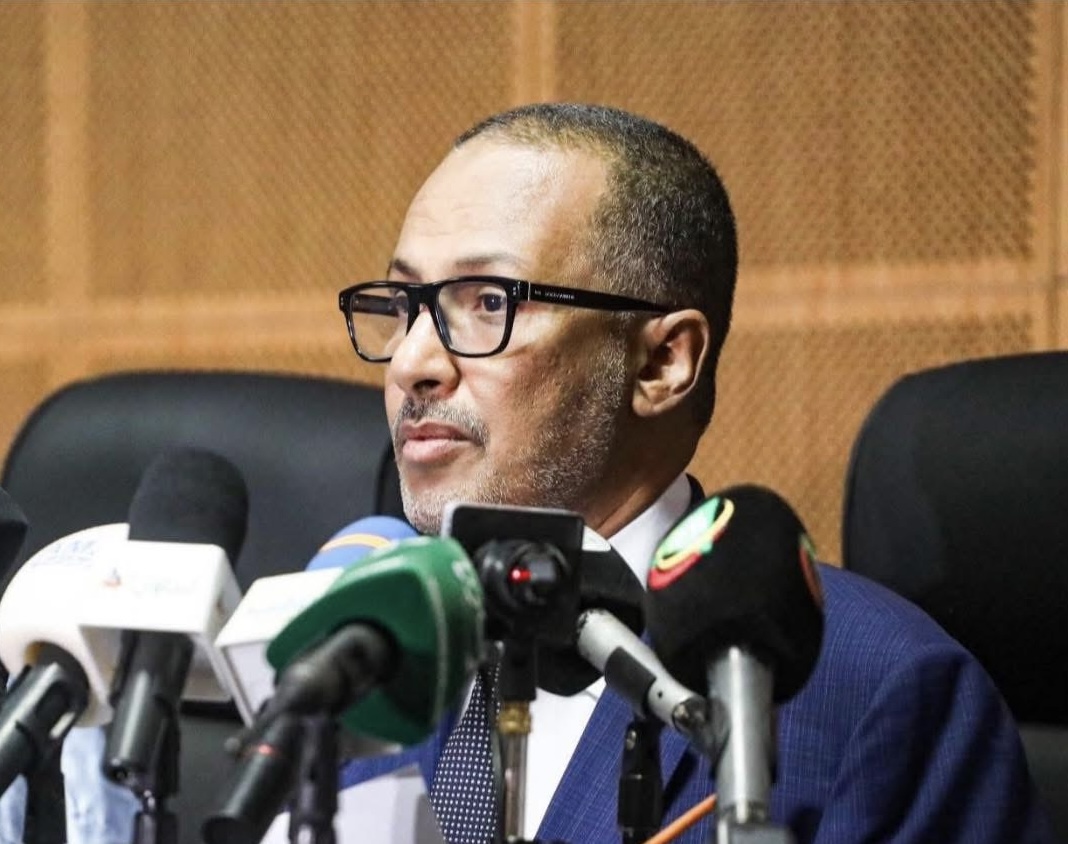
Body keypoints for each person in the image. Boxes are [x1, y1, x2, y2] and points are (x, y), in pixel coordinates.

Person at [335, 102, 1055, 843]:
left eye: (489, 303)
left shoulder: (880, 695)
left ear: (662, 362)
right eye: (404, 305)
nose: (411, 362)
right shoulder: (345, 657)